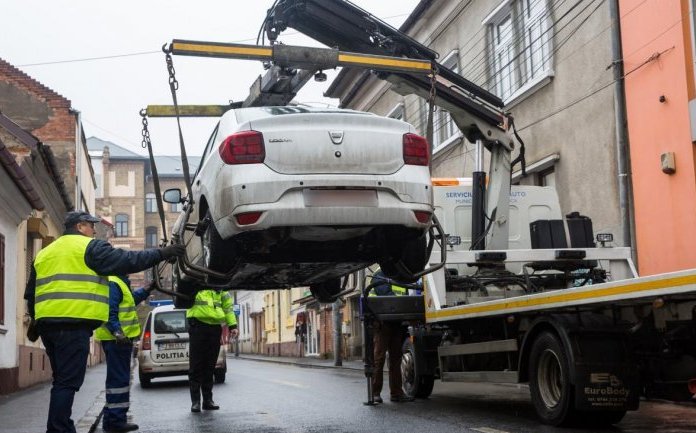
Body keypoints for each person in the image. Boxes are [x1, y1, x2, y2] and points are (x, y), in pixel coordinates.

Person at [24, 211, 186, 433]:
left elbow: (31, 293)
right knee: (67, 383)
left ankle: (60, 426)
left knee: (61, 380)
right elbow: (128, 260)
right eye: (92, 226)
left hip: (48, 326)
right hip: (73, 324)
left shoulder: (44, 253)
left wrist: (35, 320)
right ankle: (58, 429)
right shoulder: (88, 247)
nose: (94, 231)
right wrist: (163, 253)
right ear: (80, 226)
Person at [94, 275, 154, 432]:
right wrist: (117, 332)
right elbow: (109, 311)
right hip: (117, 340)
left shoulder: (119, 282)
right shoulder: (114, 282)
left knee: (118, 379)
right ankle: (115, 420)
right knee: (118, 380)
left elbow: (130, 301)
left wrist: (146, 290)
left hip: (119, 340)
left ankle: (112, 419)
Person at [186, 288, 238, 413]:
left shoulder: (220, 289)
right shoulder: (196, 284)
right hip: (198, 326)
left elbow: (228, 309)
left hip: (215, 328)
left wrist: (233, 326)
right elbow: (184, 294)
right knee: (196, 366)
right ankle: (196, 402)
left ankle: (208, 400)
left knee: (210, 366)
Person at [369, 270, 415, 403]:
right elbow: (386, 294)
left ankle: (396, 393)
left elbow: (406, 295)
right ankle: (375, 393)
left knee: (396, 358)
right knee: (379, 358)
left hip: (396, 322)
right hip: (382, 322)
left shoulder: (400, 275)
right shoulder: (380, 275)